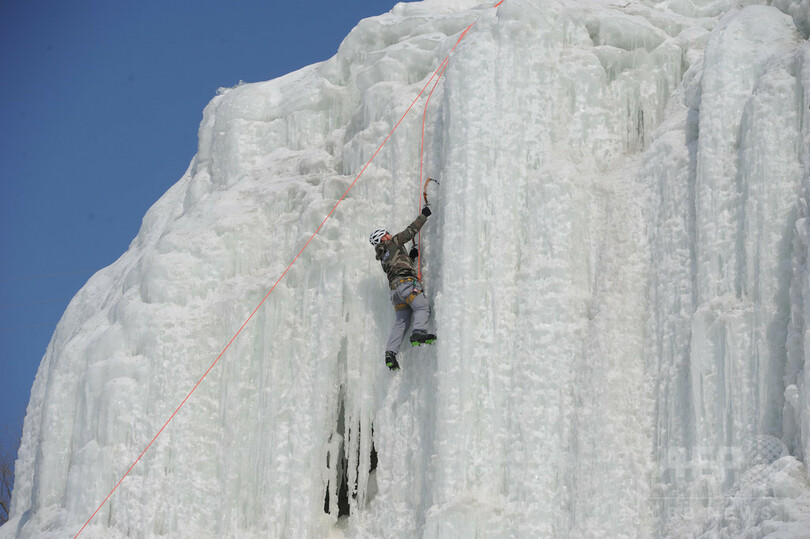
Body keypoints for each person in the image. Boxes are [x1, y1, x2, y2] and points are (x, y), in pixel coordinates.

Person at [369, 206, 437, 370]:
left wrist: (410, 257)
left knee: (401, 322)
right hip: (407, 284)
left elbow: (399, 265)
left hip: (396, 293)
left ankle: (390, 353)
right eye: (387, 234)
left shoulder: (383, 257)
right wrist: (423, 215)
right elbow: (409, 232)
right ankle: (419, 331)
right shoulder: (393, 242)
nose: (389, 235)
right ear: (383, 237)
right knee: (421, 306)